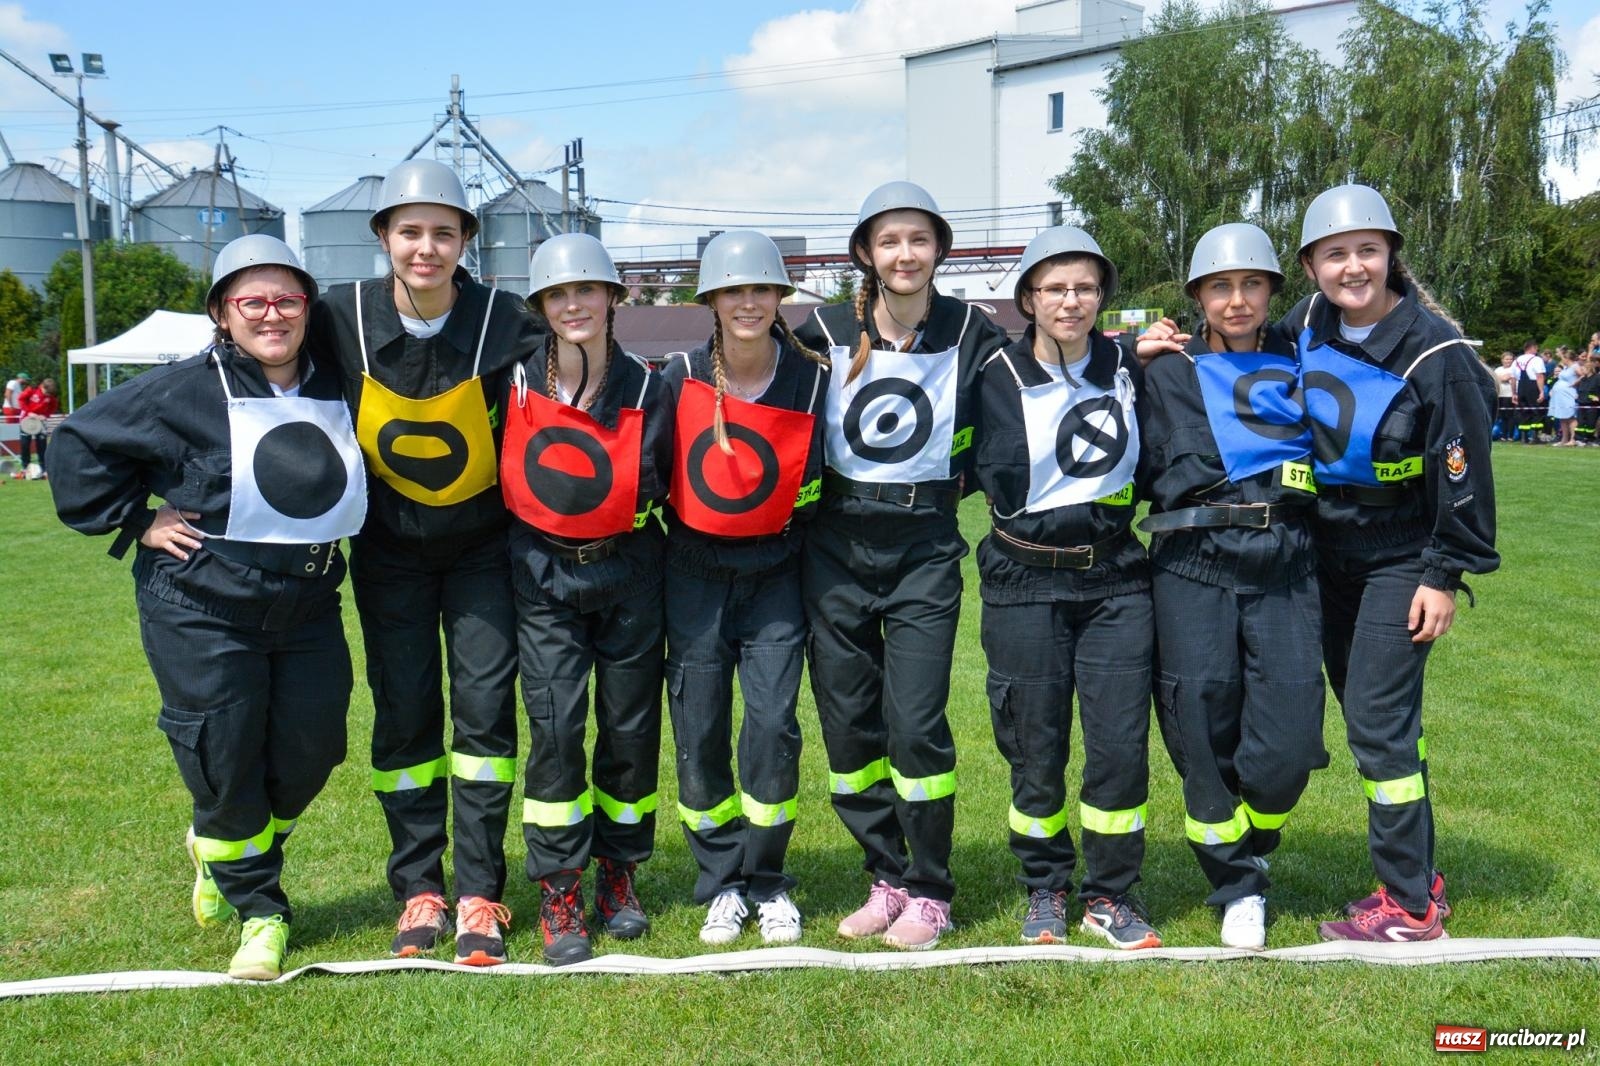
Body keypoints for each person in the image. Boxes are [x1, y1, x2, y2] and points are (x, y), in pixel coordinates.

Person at [48, 235, 364, 980]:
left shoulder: (340, 383)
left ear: (306, 308)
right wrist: (138, 519)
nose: (271, 314)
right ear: (223, 313)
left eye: (287, 299)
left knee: (314, 750)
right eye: (251, 301)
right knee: (224, 757)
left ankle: (219, 845)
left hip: (311, 604)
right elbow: (76, 442)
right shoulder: (185, 388)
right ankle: (260, 910)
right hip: (203, 604)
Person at [308, 159, 540, 966]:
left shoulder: (507, 318)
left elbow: (574, 381)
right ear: (384, 238)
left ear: (466, 240)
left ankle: (481, 891)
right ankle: (419, 888)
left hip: (482, 552)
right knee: (404, 715)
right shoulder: (339, 317)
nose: (426, 248)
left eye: (444, 232)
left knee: (482, 723)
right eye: (410, 231)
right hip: (388, 555)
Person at [794, 181, 1007, 950]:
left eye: (918, 240)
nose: (905, 254)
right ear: (865, 254)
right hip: (835, 553)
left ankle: (931, 888)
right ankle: (885, 876)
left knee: (915, 725)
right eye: (889, 241)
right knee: (849, 730)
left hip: (924, 553)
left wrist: (1127, 352)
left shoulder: (972, 330)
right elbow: (751, 379)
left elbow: (1036, 386)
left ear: (939, 250)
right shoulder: (819, 327)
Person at [1287, 185, 1497, 941]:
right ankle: (1422, 871)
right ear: (1311, 265)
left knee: (1378, 727)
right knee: (1381, 722)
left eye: (1367, 250)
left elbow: (1464, 478)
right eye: (1336, 254)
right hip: (1324, 552)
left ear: (1390, 256)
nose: (1353, 267)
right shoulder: (1308, 322)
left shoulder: (1438, 354)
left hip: (1401, 558)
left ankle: (1408, 905)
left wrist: (1443, 575)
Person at [1133, 223, 1327, 950]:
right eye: (1220, 286)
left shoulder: (1306, 366)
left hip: (1286, 565)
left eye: (1251, 284)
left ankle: (1254, 837)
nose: (1237, 299)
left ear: (1273, 292)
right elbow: (1075, 371)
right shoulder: (1166, 372)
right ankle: (1237, 884)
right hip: (1193, 565)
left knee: (1289, 743)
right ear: (1197, 298)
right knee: (1201, 726)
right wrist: (1128, 350)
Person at [974, 226, 1161, 950]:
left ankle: (1111, 894)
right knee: (1033, 741)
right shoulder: (990, 373)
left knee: (1118, 744)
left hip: (1116, 579)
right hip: (1022, 580)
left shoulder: (1128, 364)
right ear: (1029, 297)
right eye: (1055, 288)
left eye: (1084, 287)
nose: (1071, 300)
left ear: (1102, 296)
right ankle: (1045, 886)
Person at [501, 232, 672, 965]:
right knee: (558, 732)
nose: (574, 304)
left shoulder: (648, 386)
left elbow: (668, 479)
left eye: (587, 290)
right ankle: (560, 885)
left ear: (611, 299)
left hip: (630, 572)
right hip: (543, 578)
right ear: (542, 305)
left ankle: (619, 874)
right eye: (558, 294)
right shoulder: (512, 383)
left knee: (629, 733)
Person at [660, 232, 829, 946]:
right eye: (734, 290)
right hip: (694, 577)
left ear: (779, 297)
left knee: (770, 728)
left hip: (775, 578)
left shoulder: (815, 376)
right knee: (698, 734)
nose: (748, 301)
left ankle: (767, 881)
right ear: (711, 300)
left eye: (762, 288)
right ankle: (722, 883)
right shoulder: (679, 376)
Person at [17, 376, 59, 477]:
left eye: (49, 394)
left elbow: (54, 406)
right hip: (27, 420)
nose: (47, 395)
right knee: (25, 444)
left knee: (42, 445)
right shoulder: (31, 389)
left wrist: (45, 415)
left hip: (41, 422)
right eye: (46, 393)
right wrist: (29, 412)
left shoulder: (50, 396)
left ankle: (44, 467)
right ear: (42, 387)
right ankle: (25, 467)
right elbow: (21, 399)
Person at [1511, 340, 1546, 444]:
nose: (1537, 350)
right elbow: (1539, 376)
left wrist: (1514, 393)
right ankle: (1535, 437)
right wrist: (1541, 391)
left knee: (1523, 411)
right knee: (1536, 411)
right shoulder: (1537, 359)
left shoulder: (1516, 360)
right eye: (1536, 348)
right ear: (1532, 348)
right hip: (1532, 386)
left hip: (1521, 386)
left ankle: (1524, 437)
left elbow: (1513, 379)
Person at [1548, 357, 1579, 446]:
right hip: (1560, 396)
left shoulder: (1575, 366)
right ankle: (1564, 439)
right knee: (1562, 417)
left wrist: (1576, 383)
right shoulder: (1565, 368)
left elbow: (1582, 376)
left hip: (1569, 394)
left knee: (1570, 417)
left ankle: (1573, 439)